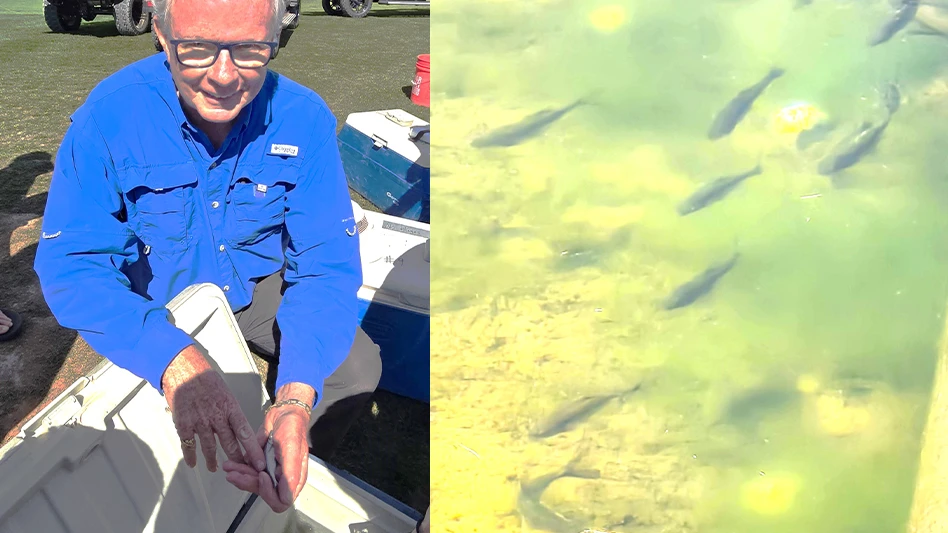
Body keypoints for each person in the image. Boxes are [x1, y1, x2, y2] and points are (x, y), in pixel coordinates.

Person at [33, 0, 382, 514]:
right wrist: (172, 357)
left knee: (354, 369)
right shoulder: (108, 118)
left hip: (252, 288)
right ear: (160, 32)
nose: (223, 77)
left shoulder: (303, 119)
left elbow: (326, 263)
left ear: (276, 39)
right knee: (169, 420)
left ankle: (279, 475)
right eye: (195, 50)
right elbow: (73, 264)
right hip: (160, 297)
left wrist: (294, 399)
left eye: (249, 51)